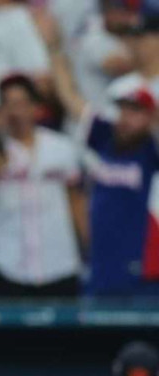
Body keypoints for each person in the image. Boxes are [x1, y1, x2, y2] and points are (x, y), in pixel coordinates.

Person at [47, 20, 159, 299]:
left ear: (150, 117)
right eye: (124, 109)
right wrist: (54, 49)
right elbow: (72, 101)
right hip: (100, 267)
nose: (127, 118)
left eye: (136, 111)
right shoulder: (106, 137)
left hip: (141, 269)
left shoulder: (151, 150)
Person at [0, 74, 86, 299]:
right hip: (7, 264)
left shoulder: (61, 147)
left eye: (21, 104)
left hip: (59, 263)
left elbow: (76, 202)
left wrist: (88, 248)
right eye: (8, 104)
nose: (15, 112)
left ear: (35, 107)